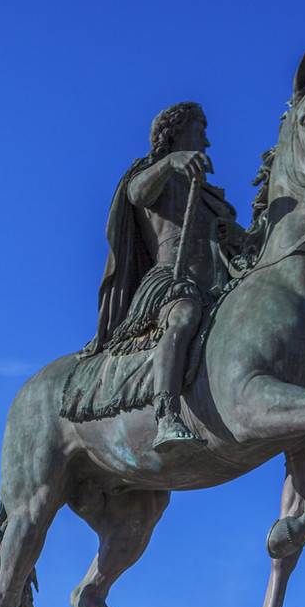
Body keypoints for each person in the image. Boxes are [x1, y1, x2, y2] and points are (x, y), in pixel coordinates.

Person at [88, 101, 245, 452]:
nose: (207, 143)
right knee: (184, 315)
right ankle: (166, 414)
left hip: (216, 282)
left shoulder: (205, 194)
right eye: (200, 132)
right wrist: (170, 163)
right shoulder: (148, 173)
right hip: (169, 280)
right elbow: (137, 193)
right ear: (175, 133)